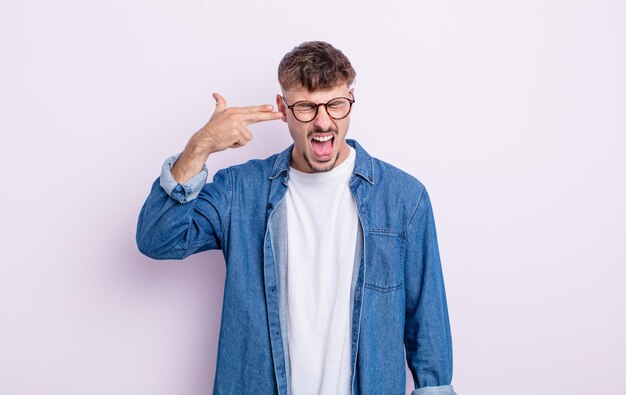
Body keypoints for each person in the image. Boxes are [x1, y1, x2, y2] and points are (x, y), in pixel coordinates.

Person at [136, 41, 456, 395]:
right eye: (305, 106)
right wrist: (200, 147)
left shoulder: (403, 199)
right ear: (283, 109)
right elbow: (157, 238)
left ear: (351, 101)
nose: (323, 121)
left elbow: (426, 323)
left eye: (335, 104)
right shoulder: (240, 192)